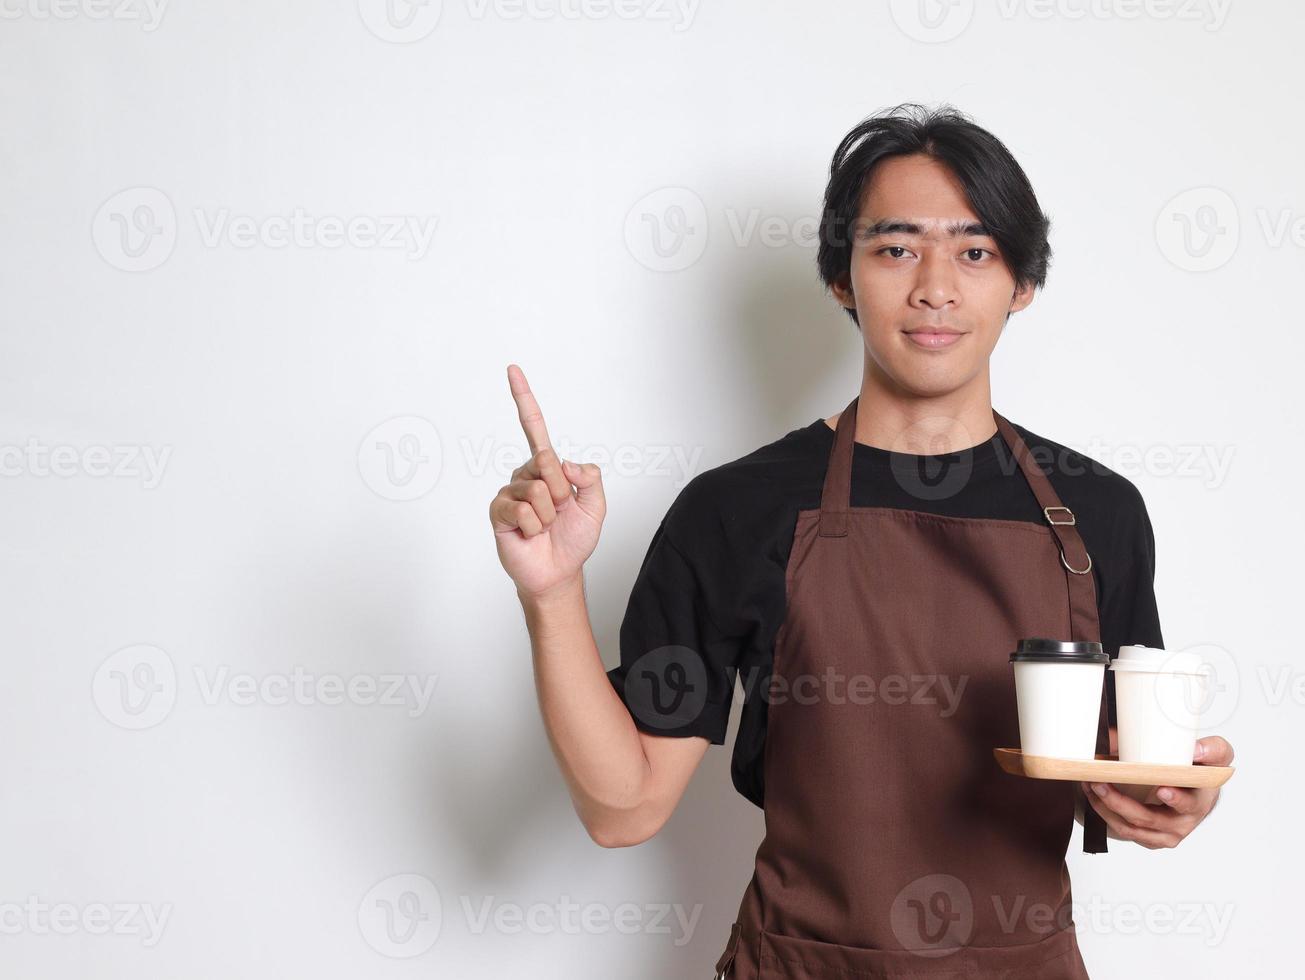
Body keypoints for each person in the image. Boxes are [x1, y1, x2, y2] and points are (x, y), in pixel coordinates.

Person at [490, 103, 1234, 979]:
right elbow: (625, 808)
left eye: (975, 250)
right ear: (842, 278)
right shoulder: (737, 508)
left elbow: (1126, 782)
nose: (935, 287)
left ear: (1021, 283)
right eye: (894, 248)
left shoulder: (1098, 514)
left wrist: (1173, 802)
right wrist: (551, 594)